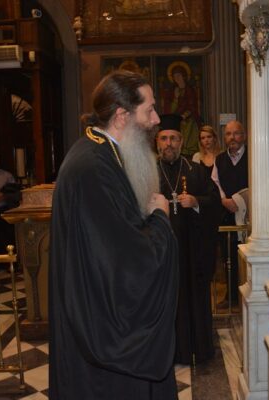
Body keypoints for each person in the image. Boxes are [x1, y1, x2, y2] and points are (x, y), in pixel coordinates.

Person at [49, 71, 179, 399]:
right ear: (122, 115)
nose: (156, 119)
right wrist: (160, 219)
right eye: (149, 110)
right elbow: (127, 263)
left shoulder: (102, 154)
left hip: (94, 319)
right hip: (104, 338)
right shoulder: (94, 168)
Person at [156, 114, 220, 365]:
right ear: (157, 142)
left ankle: (198, 348)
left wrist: (195, 202)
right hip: (161, 253)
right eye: (164, 138)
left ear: (181, 142)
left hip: (192, 252)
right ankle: (168, 352)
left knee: (193, 298)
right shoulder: (148, 172)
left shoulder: (196, 171)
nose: (168, 143)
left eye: (173, 138)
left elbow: (214, 201)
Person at [211, 120, 248, 306]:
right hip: (226, 215)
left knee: (248, 257)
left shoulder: (253, 157)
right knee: (229, 258)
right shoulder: (219, 159)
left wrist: (239, 201)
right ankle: (232, 297)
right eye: (228, 134)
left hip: (249, 217)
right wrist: (224, 200)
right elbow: (215, 182)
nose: (232, 137)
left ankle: (247, 297)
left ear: (244, 135)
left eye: (236, 133)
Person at [161, 63, 201, 158]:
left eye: (179, 75)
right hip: (176, 119)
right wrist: (175, 98)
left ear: (184, 76)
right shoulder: (172, 91)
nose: (177, 78)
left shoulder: (189, 90)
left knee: (189, 125)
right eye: (175, 76)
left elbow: (192, 106)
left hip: (188, 119)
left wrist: (184, 116)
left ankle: (188, 151)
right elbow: (169, 109)